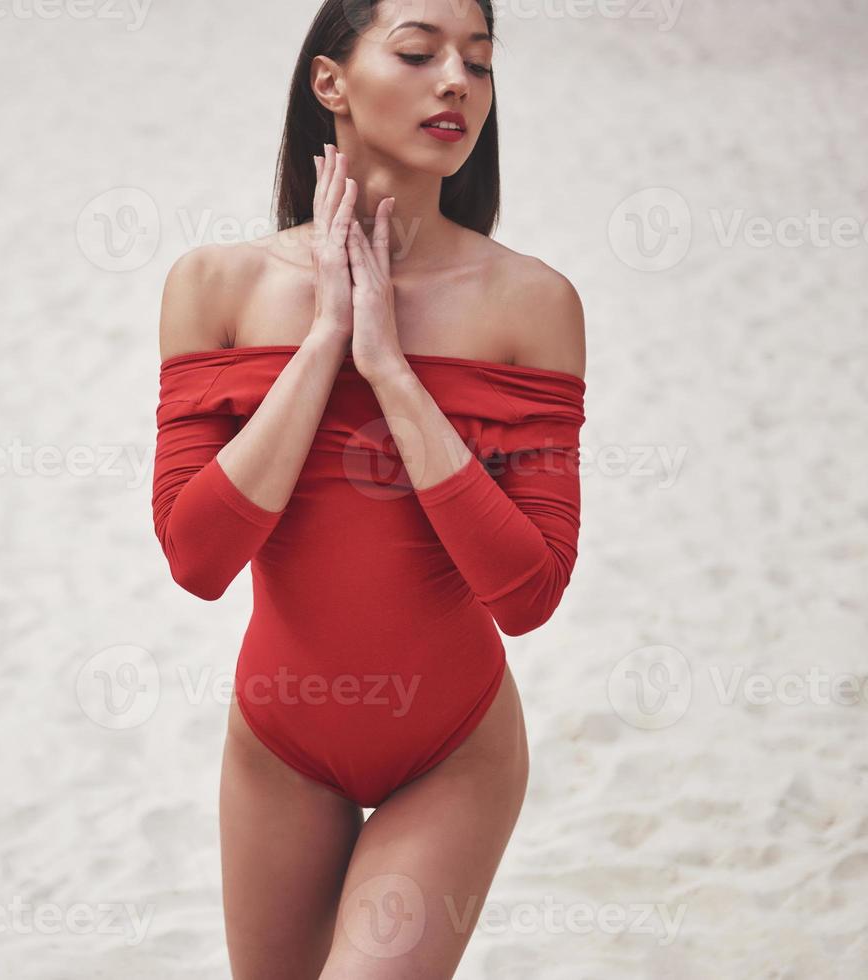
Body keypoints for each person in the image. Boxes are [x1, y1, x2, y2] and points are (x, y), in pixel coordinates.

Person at [150, 1, 588, 976]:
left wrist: (390, 371)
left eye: (477, 61)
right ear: (328, 83)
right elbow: (197, 558)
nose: (455, 83)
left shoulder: (531, 304)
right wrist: (322, 346)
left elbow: (527, 593)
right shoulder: (212, 286)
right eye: (419, 51)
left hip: (451, 748)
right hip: (277, 744)